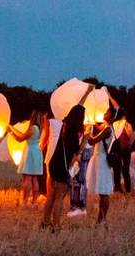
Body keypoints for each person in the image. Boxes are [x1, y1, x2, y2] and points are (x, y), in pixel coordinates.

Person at [42, 83, 93, 231]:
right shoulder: (73, 136)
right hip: (62, 167)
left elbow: (78, 106)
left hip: (53, 163)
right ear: (81, 119)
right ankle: (56, 225)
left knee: (51, 195)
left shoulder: (65, 123)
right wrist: (85, 140)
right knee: (59, 197)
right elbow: (75, 158)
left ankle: (45, 222)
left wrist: (87, 92)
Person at [85, 108, 115, 224]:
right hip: (99, 159)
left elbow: (93, 141)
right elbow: (97, 128)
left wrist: (87, 134)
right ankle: (100, 219)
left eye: (106, 112)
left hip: (102, 160)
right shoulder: (105, 127)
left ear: (111, 116)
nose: (103, 113)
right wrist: (91, 122)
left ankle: (102, 219)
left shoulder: (108, 129)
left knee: (104, 191)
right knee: (102, 192)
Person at [8, 109, 44, 206]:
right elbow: (23, 134)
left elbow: (20, 138)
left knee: (27, 178)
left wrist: (11, 133)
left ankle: (25, 201)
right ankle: (34, 201)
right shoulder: (40, 128)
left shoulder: (32, 128)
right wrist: (12, 128)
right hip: (37, 152)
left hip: (30, 152)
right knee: (34, 178)